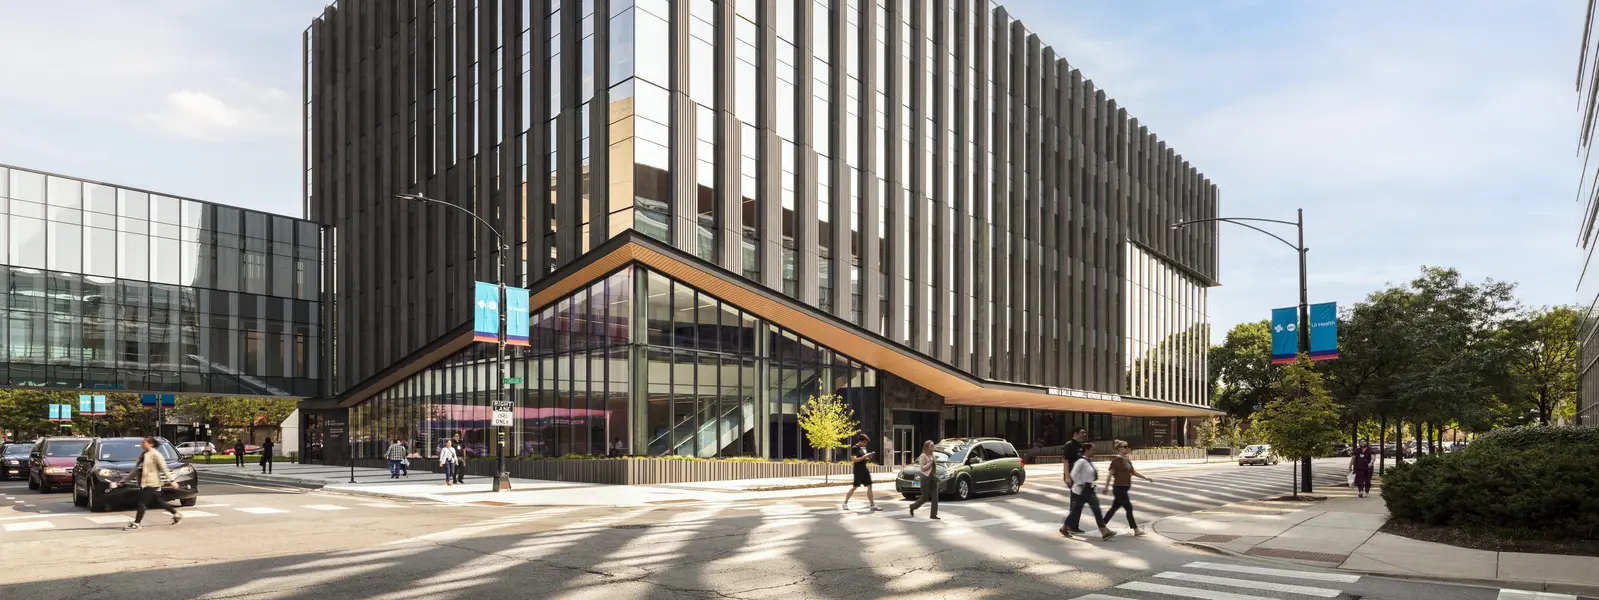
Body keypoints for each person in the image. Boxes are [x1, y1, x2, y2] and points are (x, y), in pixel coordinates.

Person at [116, 437, 182, 531]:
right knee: (159, 501)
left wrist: (172, 481)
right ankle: (176, 514)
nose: (142, 444)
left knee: (141, 503)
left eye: (144, 442)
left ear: (151, 444)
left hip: (152, 483)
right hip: (144, 482)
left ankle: (137, 523)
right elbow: (135, 470)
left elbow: (164, 468)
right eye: (142, 443)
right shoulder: (143, 455)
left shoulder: (156, 454)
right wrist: (123, 481)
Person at [1060, 443, 1116, 541]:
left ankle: (1104, 531)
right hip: (1082, 491)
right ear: (1086, 450)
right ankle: (1104, 531)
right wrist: (1081, 484)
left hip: (1090, 490)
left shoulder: (1090, 461)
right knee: (1080, 510)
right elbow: (1073, 474)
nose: (1094, 451)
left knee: (1094, 510)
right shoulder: (1081, 461)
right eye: (1093, 449)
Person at [1102, 440, 1153, 536]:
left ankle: (1102, 525)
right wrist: (1106, 487)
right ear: (1119, 449)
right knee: (1128, 508)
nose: (1127, 448)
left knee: (1114, 508)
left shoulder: (1127, 460)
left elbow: (1133, 472)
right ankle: (1136, 530)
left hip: (1123, 488)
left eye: (1128, 446)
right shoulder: (1116, 461)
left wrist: (1145, 477)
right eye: (1125, 447)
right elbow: (1110, 474)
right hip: (1119, 488)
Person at [1060, 427, 1089, 534]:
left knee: (1078, 501)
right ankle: (1069, 526)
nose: (1084, 435)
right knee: (1077, 501)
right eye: (1082, 433)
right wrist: (1067, 476)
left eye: (1085, 433)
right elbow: (1066, 461)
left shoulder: (1080, 446)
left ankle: (1072, 525)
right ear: (1075, 433)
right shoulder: (1069, 445)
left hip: (1080, 478)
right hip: (1072, 477)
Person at [841, 434, 881, 511]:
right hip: (858, 470)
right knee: (855, 486)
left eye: (866, 443)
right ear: (860, 440)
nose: (865, 444)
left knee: (869, 486)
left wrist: (868, 458)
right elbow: (854, 459)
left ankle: (872, 505)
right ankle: (845, 503)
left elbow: (863, 459)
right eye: (864, 442)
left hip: (864, 469)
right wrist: (865, 456)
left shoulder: (862, 448)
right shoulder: (855, 448)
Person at [907, 440, 939, 520]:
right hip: (925, 477)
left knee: (935, 497)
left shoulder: (933, 455)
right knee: (925, 497)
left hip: (933, 477)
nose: (933, 447)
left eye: (933, 445)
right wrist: (930, 463)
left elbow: (934, 467)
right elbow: (922, 468)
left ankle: (933, 515)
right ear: (927, 447)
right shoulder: (923, 456)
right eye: (931, 446)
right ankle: (913, 506)